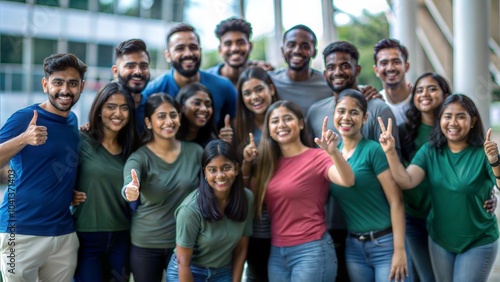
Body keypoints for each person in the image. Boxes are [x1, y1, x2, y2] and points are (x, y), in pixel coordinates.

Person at [306, 40, 401, 282]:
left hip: (381, 226)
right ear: (324, 71)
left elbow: (395, 173)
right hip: (340, 226)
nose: (337, 72)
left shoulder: (378, 110)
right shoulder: (316, 112)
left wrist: (400, 248)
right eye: (331, 67)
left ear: (357, 70)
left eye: (345, 66)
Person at [379, 94, 500, 281]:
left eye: (460, 116)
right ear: (440, 120)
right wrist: (390, 152)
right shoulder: (430, 150)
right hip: (440, 241)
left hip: (478, 240)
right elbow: (406, 180)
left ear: (473, 120)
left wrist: (495, 161)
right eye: (447, 116)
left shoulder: (483, 152)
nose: (453, 122)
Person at [242, 100, 355, 281]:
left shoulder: (317, 156)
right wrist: (247, 164)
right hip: (277, 253)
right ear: (269, 128)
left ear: (301, 123)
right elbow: (250, 199)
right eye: (275, 121)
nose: (281, 125)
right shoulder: (267, 164)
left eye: (288, 118)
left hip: (312, 250)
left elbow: (348, 180)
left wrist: (333, 152)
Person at [0, 53, 87, 281]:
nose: (65, 90)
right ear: (45, 83)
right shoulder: (25, 118)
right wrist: (23, 139)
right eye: (58, 82)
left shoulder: (73, 121)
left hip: (63, 234)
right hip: (20, 232)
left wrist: (70, 191)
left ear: (82, 87)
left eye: (72, 83)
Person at [329, 89, 410, 282]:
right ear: (334, 114)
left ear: (365, 118)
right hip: (354, 247)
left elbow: (396, 201)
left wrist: (399, 251)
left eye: (354, 112)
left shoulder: (373, 150)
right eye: (341, 111)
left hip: (385, 244)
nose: (346, 117)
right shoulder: (332, 154)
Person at [122, 93, 203, 282]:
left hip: (186, 243)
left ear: (180, 118)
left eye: (173, 115)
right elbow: (129, 182)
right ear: (149, 123)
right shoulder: (139, 157)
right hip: (146, 245)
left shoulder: (196, 152)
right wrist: (130, 190)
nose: (169, 121)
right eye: (161, 116)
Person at [72, 82, 140, 282]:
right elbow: (58, 175)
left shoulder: (133, 148)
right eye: (110, 106)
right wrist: (67, 194)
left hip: (122, 237)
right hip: (86, 237)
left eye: (124, 107)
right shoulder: (80, 139)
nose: (118, 113)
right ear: (99, 110)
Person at [166, 140, 254, 281]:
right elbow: (183, 263)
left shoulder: (247, 199)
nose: (220, 175)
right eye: (212, 170)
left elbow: (241, 249)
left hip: (223, 271)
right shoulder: (190, 210)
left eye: (226, 168)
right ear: (205, 173)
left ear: (237, 169)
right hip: (189, 271)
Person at [142, 23, 237, 129]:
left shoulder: (224, 87)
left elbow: (236, 128)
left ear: (200, 51)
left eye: (193, 47)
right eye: (180, 48)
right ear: (168, 55)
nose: (188, 53)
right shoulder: (151, 92)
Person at [234, 66, 280, 281]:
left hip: (286, 218)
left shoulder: (284, 120)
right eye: (247, 93)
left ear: (271, 88)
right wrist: (247, 162)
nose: (254, 97)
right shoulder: (239, 128)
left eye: (259, 89)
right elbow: (237, 184)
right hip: (256, 222)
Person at [268, 25, 332, 116]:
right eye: (291, 45)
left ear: (314, 52)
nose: (297, 50)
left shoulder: (328, 84)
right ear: (282, 51)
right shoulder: (269, 80)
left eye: (305, 46)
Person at [207, 17, 273, 87]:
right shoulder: (207, 80)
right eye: (228, 44)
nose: (234, 48)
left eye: (241, 43)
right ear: (220, 50)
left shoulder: (262, 74)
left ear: (250, 46)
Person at [112, 39, 151, 134]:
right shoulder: (104, 105)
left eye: (143, 66)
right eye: (130, 66)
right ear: (115, 71)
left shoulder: (152, 107)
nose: (138, 71)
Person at [175, 82, 233, 147]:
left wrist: (225, 147)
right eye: (197, 103)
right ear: (181, 107)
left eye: (208, 105)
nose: (204, 109)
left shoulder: (212, 144)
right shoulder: (169, 138)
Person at [373, 38, 412, 126]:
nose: (390, 68)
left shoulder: (420, 102)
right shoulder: (374, 104)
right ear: (376, 70)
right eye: (384, 63)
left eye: (396, 62)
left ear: (407, 66)